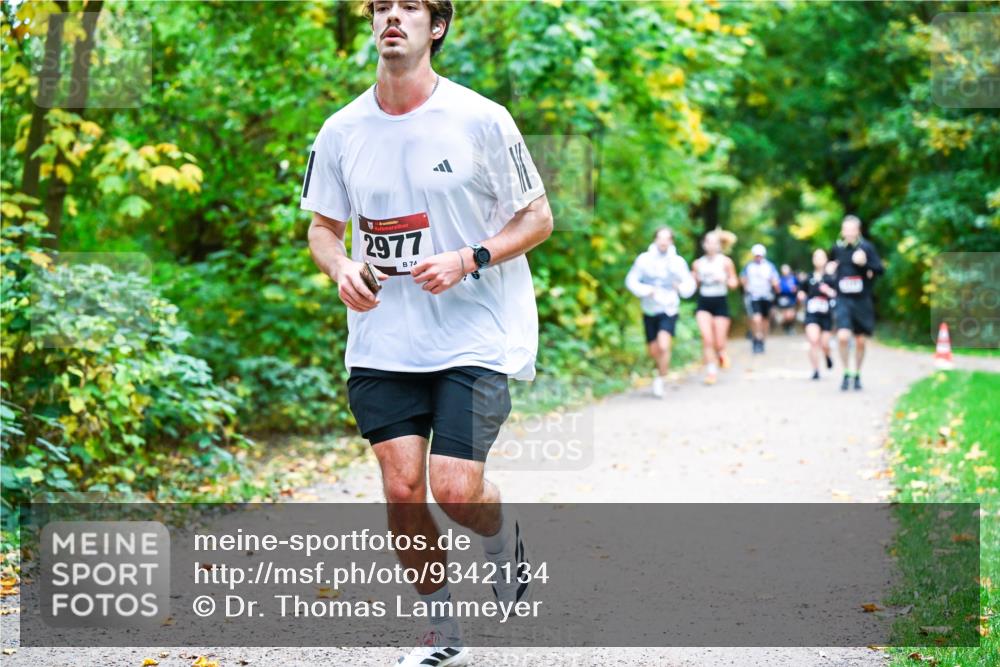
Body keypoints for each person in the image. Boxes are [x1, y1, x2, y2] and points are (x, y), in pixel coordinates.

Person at [301, 2, 553, 663]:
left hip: (473, 334)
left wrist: (470, 257)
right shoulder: (341, 130)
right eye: (381, 6)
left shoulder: (481, 120)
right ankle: (443, 633)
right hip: (383, 340)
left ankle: (501, 538)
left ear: (435, 26)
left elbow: (538, 219)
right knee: (403, 488)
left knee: (455, 488)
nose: (392, 16)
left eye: (409, 6)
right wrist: (341, 266)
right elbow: (322, 228)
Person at [626, 227, 696, 398]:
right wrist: (645, 290)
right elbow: (631, 281)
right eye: (660, 238)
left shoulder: (678, 262)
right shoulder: (644, 260)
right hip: (649, 309)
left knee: (664, 345)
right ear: (655, 240)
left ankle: (660, 379)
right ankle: (660, 369)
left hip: (669, 308)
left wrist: (680, 288)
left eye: (667, 239)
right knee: (654, 350)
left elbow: (689, 284)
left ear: (671, 241)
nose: (663, 242)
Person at [827, 215, 884, 391]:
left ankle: (857, 374)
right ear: (842, 231)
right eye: (846, 230)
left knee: (860, 341)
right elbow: (830, 267)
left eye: (853, 230)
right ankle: (846, 372)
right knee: (843, 336)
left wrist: (865, 263)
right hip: (843, 299)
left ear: (858, 230)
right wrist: (829, 270)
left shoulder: (866, 248)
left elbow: (880, 270)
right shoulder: (836, 248)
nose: (849, 233)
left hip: (861, 300)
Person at [691, 230, 739, 384]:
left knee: (719, 342)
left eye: (714, 242)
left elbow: (734, 283)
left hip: (720, 302)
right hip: (704, 302)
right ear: (704, 245)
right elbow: (692, 286)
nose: (711, 245)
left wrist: (724, 279)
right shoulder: (698, 264)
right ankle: (711, 372)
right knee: (707, 339)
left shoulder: (725, 262)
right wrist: (693, 280)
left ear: (719, 245)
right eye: (708, 242)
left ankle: (721, 353)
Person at [798, 249, 837, 380]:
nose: (818, 259)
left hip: (826, 315)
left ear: (826, 260)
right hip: (812, 314)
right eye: (816, 257)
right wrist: (801, 295)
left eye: (821, 257)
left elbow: (838, 295)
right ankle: (815, 370)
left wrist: (828, 291)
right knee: (813, 341)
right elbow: (802, 291)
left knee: (825, 343)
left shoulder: (831, 277)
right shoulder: (809, 278)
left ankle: (827, 355)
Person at [740, 244, 780, 354]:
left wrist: (775, 286)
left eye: (760, 255)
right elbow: (743, 279)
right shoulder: (749, 267)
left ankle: (762, 340)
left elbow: (776, 281)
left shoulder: (769, 266)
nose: (758, 257)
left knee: (765, 321)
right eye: (756, 255)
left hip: (766, 296)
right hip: (753, 296)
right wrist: (745, 287)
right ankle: (756, 338)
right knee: (756, 319)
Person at [776, 263, 799, 335]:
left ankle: (790, 327)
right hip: (782, 299)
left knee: (791, 315)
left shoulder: (793, 278)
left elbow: (798, 287)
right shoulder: (779, 279)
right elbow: (777, 289)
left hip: (791, 298)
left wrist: (796, 290)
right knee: (785, 316)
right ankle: (786, 327)